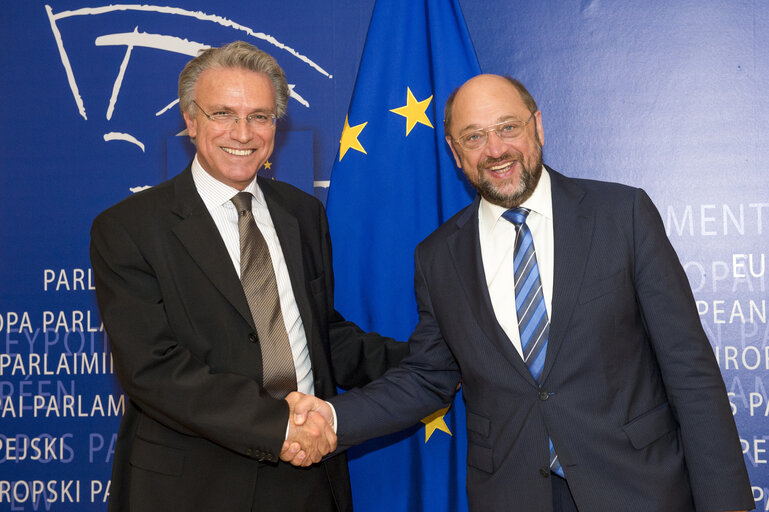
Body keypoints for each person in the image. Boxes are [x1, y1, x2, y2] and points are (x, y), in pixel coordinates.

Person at [288, 74, 755, 511]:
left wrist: (727, 501)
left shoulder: (622, 214)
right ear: (455, 152)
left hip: (637, 486)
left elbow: (689, 369)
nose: (495, 149)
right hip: (513, 494)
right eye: (474, 137)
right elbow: (428, 376)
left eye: (507, 127)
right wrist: (332, 418)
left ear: (538, 127)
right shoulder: (437, 257)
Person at [90, 41, 407, 512]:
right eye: (223, 113)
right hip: (194, 486)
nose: (243, 132)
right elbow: (153, 368)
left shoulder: (303, 214)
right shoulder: (129, 228)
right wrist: (280, 426)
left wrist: (434, 361)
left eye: (260, 116)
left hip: (310, 481)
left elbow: (319, 335)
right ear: (191, 119)